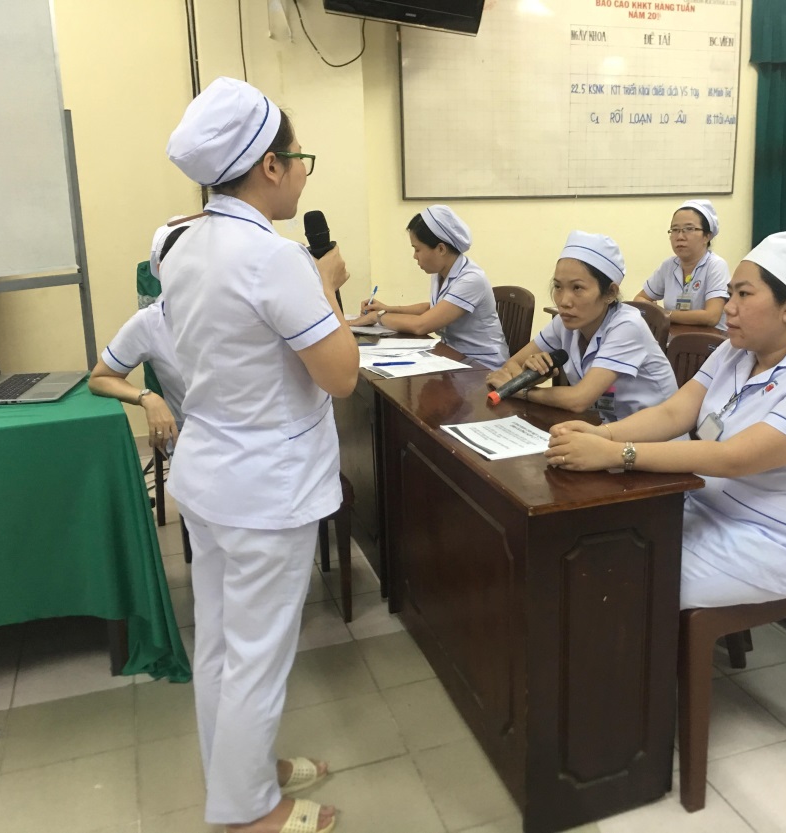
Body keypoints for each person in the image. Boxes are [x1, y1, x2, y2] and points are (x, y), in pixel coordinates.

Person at [163, 77, 359, 833]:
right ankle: (250, 812)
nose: (304, 170)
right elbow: (340, 376)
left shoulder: (181, 242)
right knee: (257, 655)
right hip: (266, 492)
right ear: (271, 167)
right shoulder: (274, 259)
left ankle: (239, 773)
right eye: (298, 156)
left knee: (220, 643)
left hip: (209, 479)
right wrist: (327, 283)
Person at [545, 232, 786, 608]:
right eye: (730, 293)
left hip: (764, 542)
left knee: (615, 586)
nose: (729, 308)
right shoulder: (735, 352)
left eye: (744, 294)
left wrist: (617, 453)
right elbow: (675, 411)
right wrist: (602, 434)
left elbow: (733, 458)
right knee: (583, 552)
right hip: (697, 505)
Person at [486, 231, 677, 421]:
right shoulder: (565, 322)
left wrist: (519, 390)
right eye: (558, 287)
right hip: (604, 426)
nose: (564, 301)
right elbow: (511, 365)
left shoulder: (627, 326)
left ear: (610, 293)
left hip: (653, 434)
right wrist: (532, 375)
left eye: (577, 288)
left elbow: (579, 400)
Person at [349, 205, 510, 370]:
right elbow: (434, 309)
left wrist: (378, 317)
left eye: (417, 249)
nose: (415, 256)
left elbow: (421, 325)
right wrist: (388, 308)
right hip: (455, 357)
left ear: (441, 249)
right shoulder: (441, 272)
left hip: (483, 366)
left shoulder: (471, 279)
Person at [88, 219, 194, 451]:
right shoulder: (151, 322)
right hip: (190, 440)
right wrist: (147, 397)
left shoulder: (240, 311)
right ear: (161, 270)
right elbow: (100, 378)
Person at [633, 199, 730, 328]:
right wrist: (662, 313)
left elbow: (711, 317)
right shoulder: (669, 266)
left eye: (689, 229)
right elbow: (639, 300)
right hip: (673, 337)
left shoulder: (716, 265)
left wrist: (664, 314)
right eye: (675, 230)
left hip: (709, 338)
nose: (679, 237)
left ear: (707, 236)